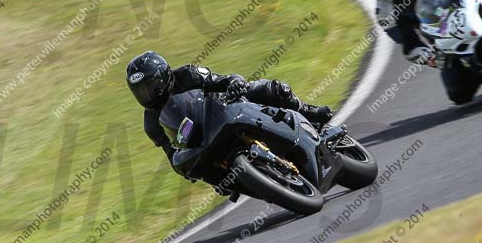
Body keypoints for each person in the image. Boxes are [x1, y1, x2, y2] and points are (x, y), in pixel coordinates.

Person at [126, 51, 332, 167]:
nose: (147, 95)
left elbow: (223, 79)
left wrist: (235, 84)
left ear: (163, 76)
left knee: (273, 89)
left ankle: (307, 111)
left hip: (225, 107)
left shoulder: (188, 74)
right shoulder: (151, 124)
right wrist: (184, 164)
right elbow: (172, 155)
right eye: (140, 91)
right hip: (203, 142)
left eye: (149, 87)